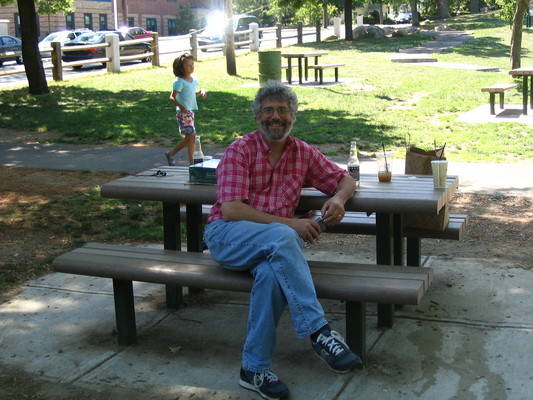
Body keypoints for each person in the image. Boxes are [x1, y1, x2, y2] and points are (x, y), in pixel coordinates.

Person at [204, 81, 362, 400]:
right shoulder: (240, 150)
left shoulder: (302, 152)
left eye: (282, 110)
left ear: (293, 116)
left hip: (273, 247)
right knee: (282, 235)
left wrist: (341, 199)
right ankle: (318, 331)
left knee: (270, 275)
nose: (275, 117)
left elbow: (346, 178)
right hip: (227, 236)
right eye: (268, 111)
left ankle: (254, 368)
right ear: (257, 117)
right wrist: (291, 224)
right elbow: (233, 210)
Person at [165, 53, 207, 166]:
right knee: (192, 137)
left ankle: (171, 154)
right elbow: (172, 97)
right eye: (188, 65)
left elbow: (192, 95)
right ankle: (191, 163)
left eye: (192, 64)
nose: (191, 67)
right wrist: (182, 107)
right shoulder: (179, 82)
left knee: (190, 138)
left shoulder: (193, 80)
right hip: (183, 113)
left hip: (191, 112)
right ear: (181, 68)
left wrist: (201, 92)